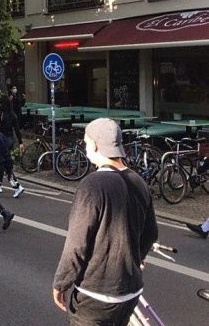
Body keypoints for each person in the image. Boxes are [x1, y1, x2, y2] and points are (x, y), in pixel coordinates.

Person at [53, 118, 158, 326]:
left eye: (86, 143)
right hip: (130, 291)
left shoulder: (93, 185)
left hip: (96, 295)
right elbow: (151, 233)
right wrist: (134, 259)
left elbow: (77, 243)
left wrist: (61, 282)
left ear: (94, 145)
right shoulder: (138, 181)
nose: (85, 148)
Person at [0, 94, 25, 198]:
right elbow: (17, 130)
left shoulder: (0, 114)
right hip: (10, 140)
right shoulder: (13, 115)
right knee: (4, 162)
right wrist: (20, 142)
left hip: (2, 140)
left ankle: (16, 185)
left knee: (3, 163)